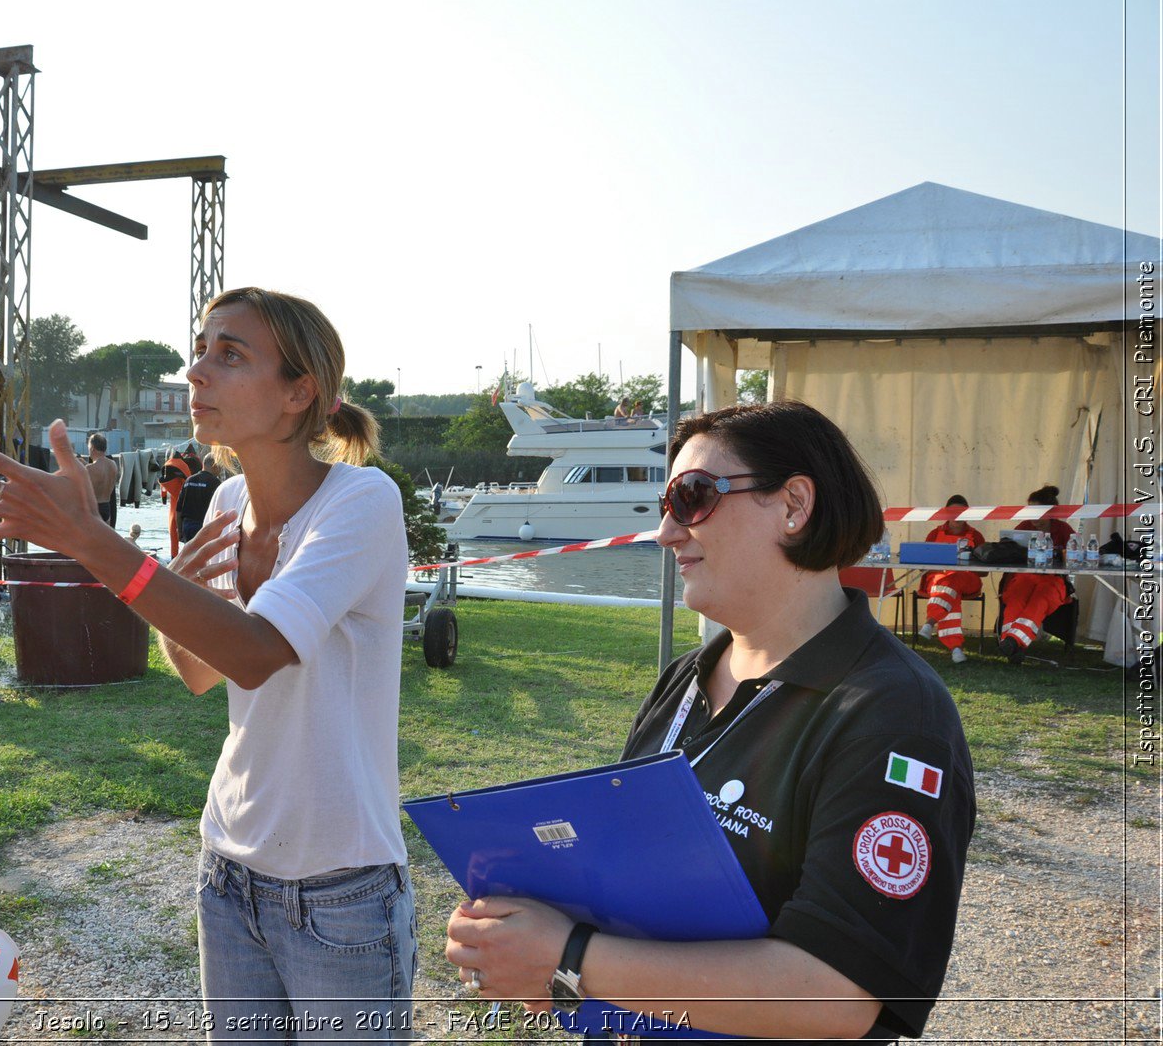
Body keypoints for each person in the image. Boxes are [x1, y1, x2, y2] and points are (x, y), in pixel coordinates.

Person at [0, 287, 416, 1042]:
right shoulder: (225, 500)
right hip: (228, 871)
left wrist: (94, 541)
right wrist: (173, 591)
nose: (196, 371)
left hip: (341, 888)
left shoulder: (363, 501)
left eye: (230, 354)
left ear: (299, 392)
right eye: (200, 348)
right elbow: (199, 670)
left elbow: (254, 655)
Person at [444, 400, 975, 1044]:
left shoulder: (890, 714)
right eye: (666, 504)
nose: (666, 531)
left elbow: (840, 995)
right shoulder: (688, 676)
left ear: (794, 505)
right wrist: (528, 945)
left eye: (692, 497)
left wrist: (571, 955)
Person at [998, 484, 1076, 663]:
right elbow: (1005, 547)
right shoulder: (1024, 526)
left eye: (1038, 513)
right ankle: (1012, 646)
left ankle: (1012, 642)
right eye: (1030, 512)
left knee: (1039, 601)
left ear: (1051, 512)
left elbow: (1077, 554)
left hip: (1053, 580)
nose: (1034, 518)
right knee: (1016, 600)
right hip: (1025, 576)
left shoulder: (1063, 529)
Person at [917, 492, 986, 663]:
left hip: (967, 581)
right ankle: (956, 648)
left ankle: (930, 622)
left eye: (961, 513)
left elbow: (985, 571)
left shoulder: (976, 536)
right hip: (939, 581)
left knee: (951, 582)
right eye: (953, 513)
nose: (957, 517)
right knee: (950, 591)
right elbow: (922, 566)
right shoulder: (934, 534)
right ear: (946, 514)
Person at [158, 445, 200, 556]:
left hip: (173, 500)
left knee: (172, 530)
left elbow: (162, 487)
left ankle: (174, 556)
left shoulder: (166, 465)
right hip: (185, 499)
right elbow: (188, 481)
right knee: (187, 531)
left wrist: (163, 499)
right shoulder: (184, 465)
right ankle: (189, 555)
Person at [177, 453, 224, 544]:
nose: (220, 470)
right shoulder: (215, 482)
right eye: (220, 467)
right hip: (204, 525)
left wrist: (179, 530)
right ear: (215, 466)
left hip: (187, 526)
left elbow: (178, 509)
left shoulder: (189, 480)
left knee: (190, 555)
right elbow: (219, 509)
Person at [86, 430, 121, 527]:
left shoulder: (89, 469)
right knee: (105, 541)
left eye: (88, 448)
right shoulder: (113, 465)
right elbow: (100, 476)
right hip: (106, 507)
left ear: (92, 448)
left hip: (94, 508)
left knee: (91, 541)